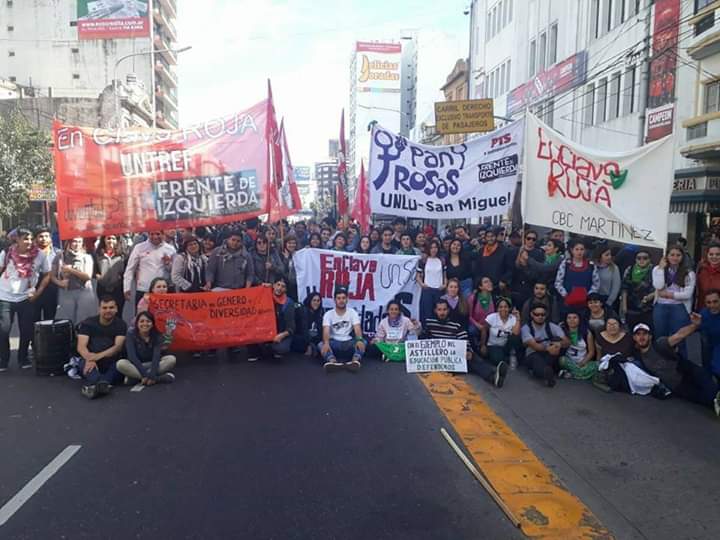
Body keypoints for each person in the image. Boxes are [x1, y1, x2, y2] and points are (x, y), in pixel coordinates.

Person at [633, 322, 719, 415]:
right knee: (705, 400)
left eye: (644, 334)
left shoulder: (660, 344)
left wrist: (695, 325)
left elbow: (680, 335)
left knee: (711, 389)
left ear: (650, 336)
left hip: (687, 371)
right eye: (638, 334)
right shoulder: (638, 357)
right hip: (678, 386)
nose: (641, 337)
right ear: (634, 338)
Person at [423, 299, 508, 387]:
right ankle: (493, 374)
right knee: (473, 365)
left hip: (453, 358)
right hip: (438, 360)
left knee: (473, 358)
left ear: (448, 310)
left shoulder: (455, 324)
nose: (442, 312)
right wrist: (417, 329)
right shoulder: (429, 323)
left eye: (444, 309)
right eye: (439, 310)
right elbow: (423, 338)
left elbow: (464, 338)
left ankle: (494, 377)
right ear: (435, 311)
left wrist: (468, 350)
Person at [0, 227, 51, 371]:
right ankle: (3, 359)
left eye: (30, 238)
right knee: (3, 330)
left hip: (27, 298)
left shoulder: (39, 255)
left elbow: (47, 274)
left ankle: (23, 358)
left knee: (27, 330)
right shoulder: (7, 253)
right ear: (17, 239)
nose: (29, 242)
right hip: (4, 297)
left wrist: (38, 292)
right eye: (25, 238)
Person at [76, 296, 127, 399]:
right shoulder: (88, 323)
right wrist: (90, 359)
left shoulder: (121, 324)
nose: (108, 310)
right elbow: (81, 347)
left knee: (118, 366)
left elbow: (117, 347)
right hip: (89, 360)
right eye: (104, 308)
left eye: (111, 307)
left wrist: (96, 357)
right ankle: (102, 385)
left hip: (111, 361)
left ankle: (95, 387)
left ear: (116, 309)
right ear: (99, 309)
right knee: (85, 365)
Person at [652, 245, 695, 357]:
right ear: (667, 256)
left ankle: (681, 365)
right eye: (672, 255)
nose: (675, 258)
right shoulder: (657, 269)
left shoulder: (689, 273)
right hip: (660, 306)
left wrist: (669, 294)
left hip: (679, 307)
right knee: (660, 337)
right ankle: (661, 362)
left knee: (679, 338)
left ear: (682, 257)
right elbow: (659, 285)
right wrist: (661, 268)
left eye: (678, 255)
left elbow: (687, 294)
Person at [116, 311, 176, 386]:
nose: (145, 324)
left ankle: (135, 378)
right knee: (120, 364)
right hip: (135, 365)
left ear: (152, 324)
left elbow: (156, 357)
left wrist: (152, 372)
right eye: (142, 321)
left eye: (148, 321)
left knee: (171, 359)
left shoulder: (157, 335)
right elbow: (132, 357)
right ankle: (159, 379)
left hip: (151, 364)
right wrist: (145, 375)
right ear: (137, 323)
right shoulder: (130, 334)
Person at [123, 230, 176, 308]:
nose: (155, 237)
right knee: (142, 317)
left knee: (163, 317)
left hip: (163, 291)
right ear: (148, 234)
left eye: (158, 234)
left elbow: (175, 271)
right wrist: (126, 287)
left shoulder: (171, 249)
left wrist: (168, 264)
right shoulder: (139, 247)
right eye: (152, 234)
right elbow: (130, 269)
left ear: (163, 234)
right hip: (144, 289)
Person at [521, 303, 569, 387]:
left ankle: (545, 371)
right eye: (537, 314)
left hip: (550, 353)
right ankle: (547, 373)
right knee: (536, 360)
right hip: (533, 354)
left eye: (542, 314)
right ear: (532, 314)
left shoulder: (551, 326)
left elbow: (567, 341)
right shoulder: (526, 328)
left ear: (546, 315)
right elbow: (535, 346)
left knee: (556, 345)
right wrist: (548, 348)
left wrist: (559, 344)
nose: (540, 317)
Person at [318, 288, 366, 373]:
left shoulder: (352, 312)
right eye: (339, 298)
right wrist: (326, 343)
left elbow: (357, 328)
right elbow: (326, 330)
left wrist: (359, 340)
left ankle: (354, 361)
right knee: (321, 344)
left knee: (363, 342)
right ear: (335, 300)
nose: (341, 300)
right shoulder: (328, 314)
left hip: (349, 343)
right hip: (334, 343)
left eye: (343, 298)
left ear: (347, 299)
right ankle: (332, 362)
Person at [52, 237, 97, 326]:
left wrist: (71, 270)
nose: (77, 244)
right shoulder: (60, 256)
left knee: (83, 320)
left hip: (84, 291)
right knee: (67, 320)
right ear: (69, 242)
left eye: (79, 242)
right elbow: (52, 275)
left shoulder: (86, 257)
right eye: (74, 241)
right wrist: (59, 283)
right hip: (67, 292)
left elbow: (87, 277)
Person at [248, 277, 296, 361]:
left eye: (283, 286)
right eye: (278, 285)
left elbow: (291, 327)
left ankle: (267, 348)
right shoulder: (265, 296)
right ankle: (264, 348)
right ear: (273, 285)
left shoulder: (288, 303)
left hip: (279, 333)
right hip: (264, 331)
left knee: (281, 349)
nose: (279, 288)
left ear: (286, 289)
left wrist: (281, 336)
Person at [555, 239, 600, 314]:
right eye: (577, 249)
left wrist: (588, 296)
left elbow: (596, 284)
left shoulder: (591, 265)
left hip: (586, 304)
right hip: (567, 303)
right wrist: (566, 295)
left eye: (582, 249)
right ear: (572, 250)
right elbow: (558, 283)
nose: (579, 252)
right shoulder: (565, 264)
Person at [480, 297, 522, 372]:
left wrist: (518, 318)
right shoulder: (492, 317)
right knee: (497, 359)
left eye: (506, 307)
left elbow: (516, 333)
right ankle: (506, 360)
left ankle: (510, 356)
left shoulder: (512, 318)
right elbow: (484, 329)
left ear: (509, 308)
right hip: (493, 345)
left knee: (515, 338)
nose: (503, 309)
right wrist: (483, 345)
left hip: (506, 346)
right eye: (500, 307)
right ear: (497, 308)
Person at [620, 249, 655, 332]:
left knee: (648, 332)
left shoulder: (654, 270)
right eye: (639, 258)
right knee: (632, 331)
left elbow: (659, 288)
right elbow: (624, 288)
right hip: (631, 307)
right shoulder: (629, 269)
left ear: (649, 259)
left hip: (648, 307)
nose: (642, 260)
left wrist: (651, 295)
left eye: (645, 258)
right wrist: (624, 306)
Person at [558, 310, 597, 380]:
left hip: (583, 362)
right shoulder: (562, 331)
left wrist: (582, 363)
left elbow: (591, 352)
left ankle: (571, 374)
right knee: (561, 360)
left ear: (579, 319)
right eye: (569, 318)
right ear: (566, 320)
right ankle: (583, 374)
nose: (572, 320)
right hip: (568, 361)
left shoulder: (587, 333)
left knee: (597, 365)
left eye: (575, 318)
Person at [33, 226, 62, 321]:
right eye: (41, 236)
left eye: (46, 236)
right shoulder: (30, 253)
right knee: (33, 320)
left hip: (52, 289)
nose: (44, 239)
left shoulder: (58, 253)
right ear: (36, 238)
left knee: (50, 320)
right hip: (34, 288)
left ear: (50, 238)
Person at [95, 235, 127, 316]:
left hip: (118, 288)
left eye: (113, 238)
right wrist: (97, 276)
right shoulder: (98, 254)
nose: (111, 241)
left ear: (117, 240)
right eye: (108, 238)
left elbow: (127, 271)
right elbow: (94, 269)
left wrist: (121, 277)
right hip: (103, 288)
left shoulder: (123, 255)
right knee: (105, 313)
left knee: (117, 312)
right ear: (104, 240)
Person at [417, 240, 446, 324]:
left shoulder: (442, 260)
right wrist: (422, 284)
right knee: (426, 313)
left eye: (435, 247)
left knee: (439, 313)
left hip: (439, 290)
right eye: (432, 247)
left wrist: (444, 284)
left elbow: (445, 275)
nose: (434, 250)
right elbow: (417, 276)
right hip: (427, 290)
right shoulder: (423, 260)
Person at [474, 227, 512, 293]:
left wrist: (504, 280)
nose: (490, 239)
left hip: (499, 285)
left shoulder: (505, 250)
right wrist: (477, 284)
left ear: (496, 237)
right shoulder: (481, 250)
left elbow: (510, 268)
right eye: (488, 236)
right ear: (485, 238)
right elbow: (477, 268)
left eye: (492, 236)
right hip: (484, 287)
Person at [694, 289, 720, 378]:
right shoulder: (703, 314)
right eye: (708, 302)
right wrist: (695, 325)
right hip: (709, 344)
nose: (712, 305)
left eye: (715, 302)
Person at [293, 292, 324, 356]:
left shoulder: (320, 312)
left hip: (313, 338)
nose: (316, 303)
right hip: (302, 337)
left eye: (318, 301)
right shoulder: (303, 310)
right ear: (309, 301)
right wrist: (308, 344)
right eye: (314, 300)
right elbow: (304, 329)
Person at [468, 277, 495, 344]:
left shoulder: (495, 298)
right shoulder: (473, 298)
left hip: (490, 327)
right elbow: (469, 315)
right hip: (477, 326)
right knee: (471, 330)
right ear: (480, 286)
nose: (489, 283)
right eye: (486, 282)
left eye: (490, 281)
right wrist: (478, 325)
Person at [695, 243, 720, 311]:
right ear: (707, 255)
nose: (714, 257)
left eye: (718, 254)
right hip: (702, 310)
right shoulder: (701, 269)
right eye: (711, 254)